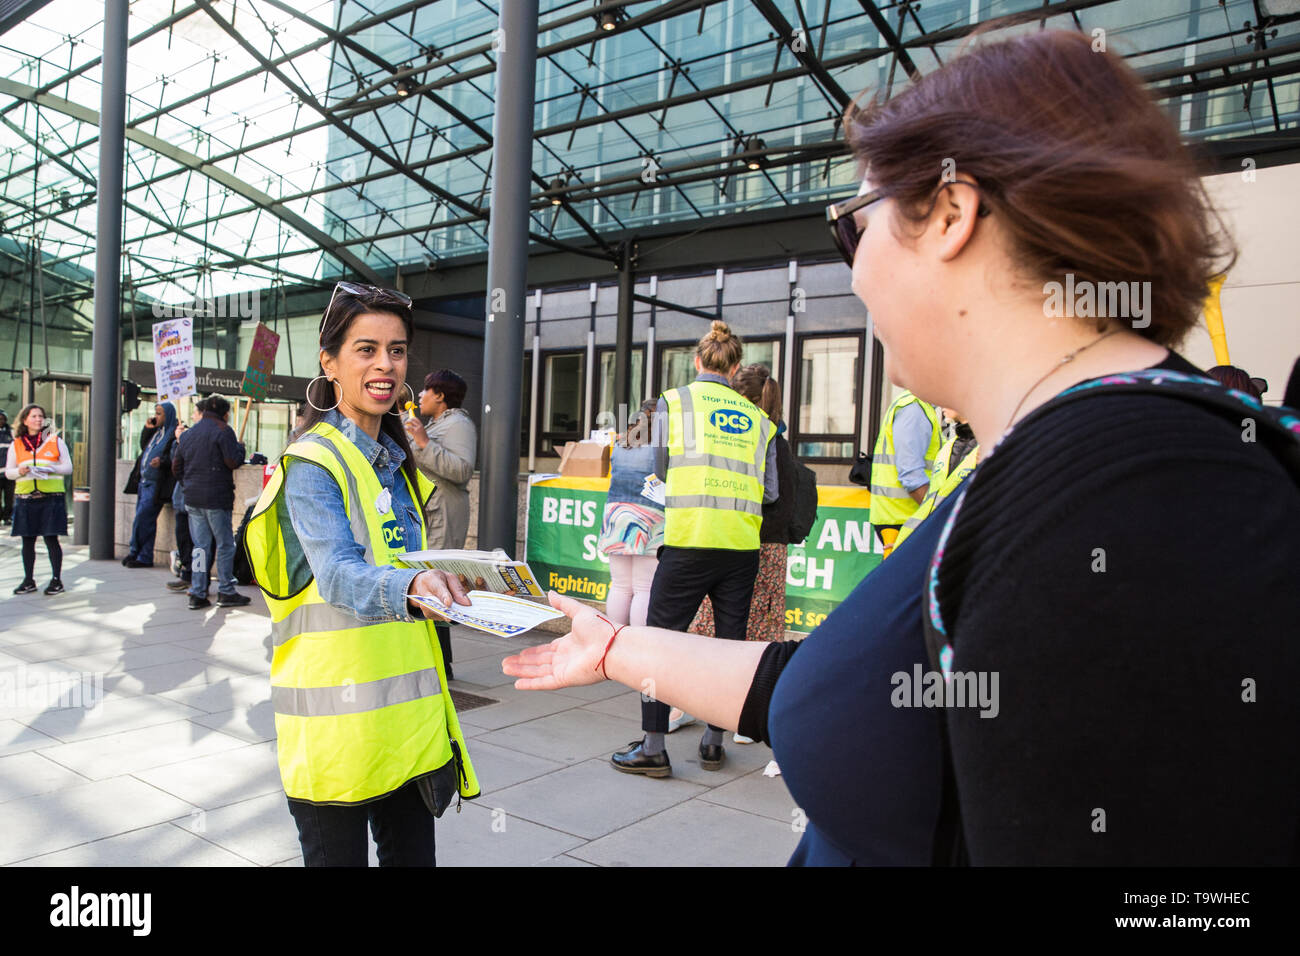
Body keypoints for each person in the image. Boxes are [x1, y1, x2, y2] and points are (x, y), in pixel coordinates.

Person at [504, 28, 1299, 865]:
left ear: (952, 213)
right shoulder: (1057, 452)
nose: (853, 272)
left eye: (854, 227)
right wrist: (620, 647)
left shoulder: (1138, 491)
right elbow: (848, 695)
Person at [243, 280, 480, 867]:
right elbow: (339, 576)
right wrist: (413, 586)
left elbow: (401, 564)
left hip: (406, 732)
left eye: (397, 351)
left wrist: (454, 581)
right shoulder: (311, 463)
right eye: (366, 349)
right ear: (329, 362)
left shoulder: (400, 465)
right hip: (334, 731)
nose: (385, 365)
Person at [610, 320, 777, 778]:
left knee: (659, 643)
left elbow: (660, 466)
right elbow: (771, 491)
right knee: (730, 647)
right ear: (736, 366)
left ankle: (653, 746)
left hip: (688, 541)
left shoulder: (674, 402)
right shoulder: (760, 421)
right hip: (740, 546)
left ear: (697, 361)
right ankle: (713, 742)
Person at [403, 368, 477, 680]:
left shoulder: (459, 423)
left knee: (437, 581)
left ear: (441, 396)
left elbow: (461, 470)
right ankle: (432, 658)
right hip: (430, 510)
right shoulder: (439, 424)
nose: (420, 395)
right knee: (427, 579)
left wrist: (422, 442)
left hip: (445, 511)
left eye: (426, 390)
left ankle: (441, 664)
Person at [173, 395, 250, 610]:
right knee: (225, 545)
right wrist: (240, 448)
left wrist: (187, 484)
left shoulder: (189, 434)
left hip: (193, 498)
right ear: (225, 413)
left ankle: (198, 592)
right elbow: (232, 460)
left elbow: (176, 465)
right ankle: (226, 589)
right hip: (216, 498)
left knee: (200, 547)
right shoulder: (223, 431)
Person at [6, 404, 72, 595]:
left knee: (51, 539)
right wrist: (20, 471)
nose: (37, 419)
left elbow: (68, 467)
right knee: (28, 541)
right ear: (25, 420)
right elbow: (9, 472)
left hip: (51, 498)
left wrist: (51, 469)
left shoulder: (55, 441)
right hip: (26, 498)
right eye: (33, 416)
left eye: (41, 416)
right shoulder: (16, 444)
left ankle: (56, 580)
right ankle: (28, 580)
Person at [869, 389, 941, 558]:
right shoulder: (913, 409)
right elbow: (911, 476)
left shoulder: (918, 407)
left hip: (901, 517)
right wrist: (938, 515)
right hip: (903, 518)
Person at [893, 408, 979, 550]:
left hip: (958, 545)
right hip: (927, 541)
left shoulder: (989, 448)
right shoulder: (948, 447)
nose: (941, 404)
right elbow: (931, 503)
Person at [123, 401, 178, 568]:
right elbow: (144, 447)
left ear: (167, 416)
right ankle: (136, 552)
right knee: (140, 519)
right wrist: (148, 429)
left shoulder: (174, 434)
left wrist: (161, 462)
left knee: (144, 519)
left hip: (156, 484)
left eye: (159, 413)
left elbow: (175, 457)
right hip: (144, 481)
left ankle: (143, 555)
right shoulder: (157, 433)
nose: (156, 417)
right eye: (156, 413)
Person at [165, 400, 205, 594]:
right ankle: (187, 573)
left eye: (195, 412)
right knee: (183, 538)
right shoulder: (183, 437)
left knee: (199, 542)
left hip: (195, 499)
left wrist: (183, 442)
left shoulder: (199, 437)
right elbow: (175, 462)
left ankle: (197, 580)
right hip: (182, 499)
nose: (192, 416)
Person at [0, 410, 13, 525]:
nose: (1, 421)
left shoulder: (11, 434)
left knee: (9, 497)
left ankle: (7, 517)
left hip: (8, 473)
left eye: (2, 418)